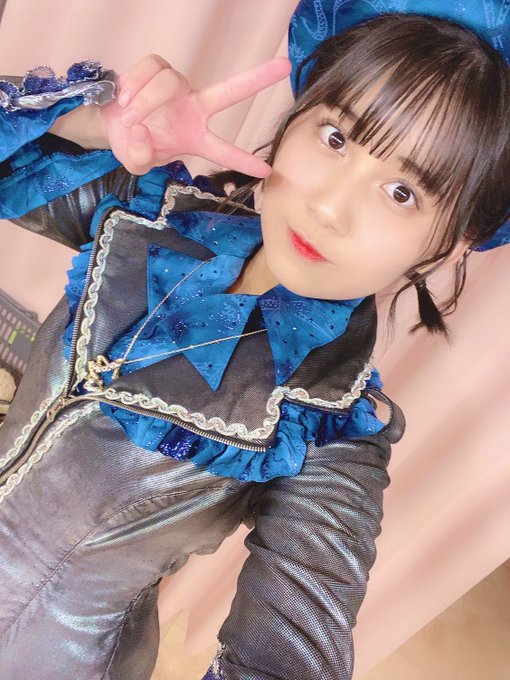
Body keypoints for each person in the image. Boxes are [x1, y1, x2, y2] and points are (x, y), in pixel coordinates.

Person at [0, 2, 508, 679]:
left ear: (454, 244)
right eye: (336, 137)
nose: (329, 205)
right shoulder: (156, 212)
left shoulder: (329, 433)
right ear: (297, 116)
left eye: (401, 192)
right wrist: (92, 122)